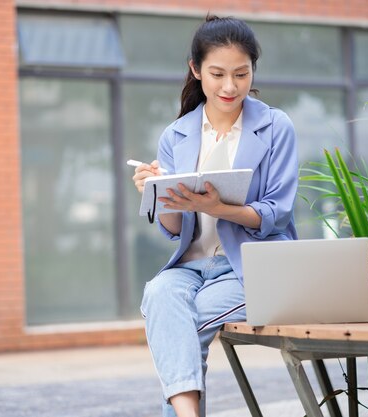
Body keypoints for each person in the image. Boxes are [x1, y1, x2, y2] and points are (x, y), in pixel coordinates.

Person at [131, 15, 299, 417]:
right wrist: (157, 195)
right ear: (196, 70)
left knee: (177, 326)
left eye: (241, 74)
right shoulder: (176, 135)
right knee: (159, 293)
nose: (230, 86)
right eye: (218, 73)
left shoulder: (275, 127)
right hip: (191, 266)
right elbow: (176, 231)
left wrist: (218, 208)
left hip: (250, 266)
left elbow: (276, 213)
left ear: (253, 70)